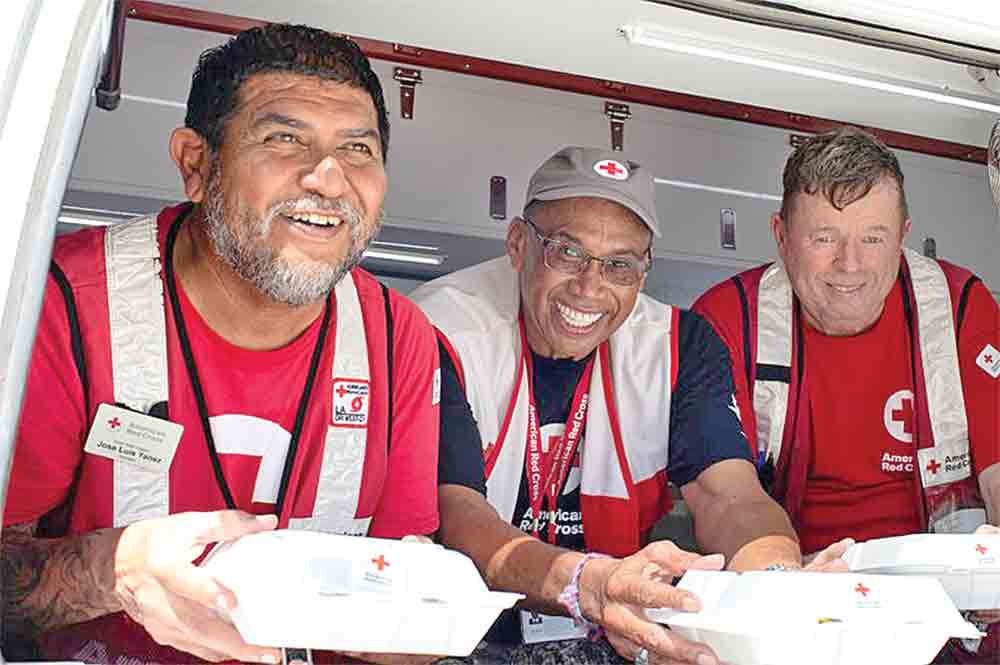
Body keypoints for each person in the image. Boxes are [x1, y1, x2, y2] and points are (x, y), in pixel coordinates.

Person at [1, 24, 442, 664]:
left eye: (357, 149)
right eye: (283, 138)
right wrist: (111, 571)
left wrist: (426, 613)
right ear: (196, 164)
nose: (328, 178)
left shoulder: (399, 335)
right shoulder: (61, 304)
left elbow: (405, 593)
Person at [413, 147, 848, 665]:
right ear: (517, 243)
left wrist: (776, 580)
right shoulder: (438, 329)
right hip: (461, 630)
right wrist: (583, 583)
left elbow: (729, 495)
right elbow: (457, 514)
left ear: (644, 272)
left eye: (620, 264)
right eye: (566, 252)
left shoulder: (680, 344)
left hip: (610, 628)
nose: (590, 287)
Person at [692, 126, 1000, 662]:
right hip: (797, 604)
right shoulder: (725, 321)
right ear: (781, 236)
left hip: (950, 616)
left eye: (873, 238)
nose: (850, 265)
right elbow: (726, 496)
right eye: (823, 238)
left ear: (902, 235)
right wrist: (784, 589)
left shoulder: (959, 307)